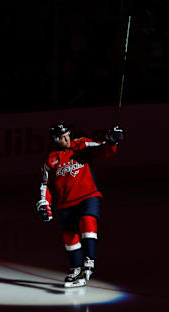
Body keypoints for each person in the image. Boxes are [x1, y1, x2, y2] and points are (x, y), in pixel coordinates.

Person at [35, 122, 123, 288]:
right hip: (65, 203)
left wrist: (112, 141)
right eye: (61, 137)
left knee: (88, 221)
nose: (66, 138)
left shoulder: (82, 144)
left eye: (67, 134)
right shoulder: (50, 159)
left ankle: (89, 261)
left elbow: (103, 150)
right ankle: (76, 267)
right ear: (54, 139)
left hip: (88, 195)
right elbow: (45, 184)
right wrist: (44, 202)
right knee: (70, 237)